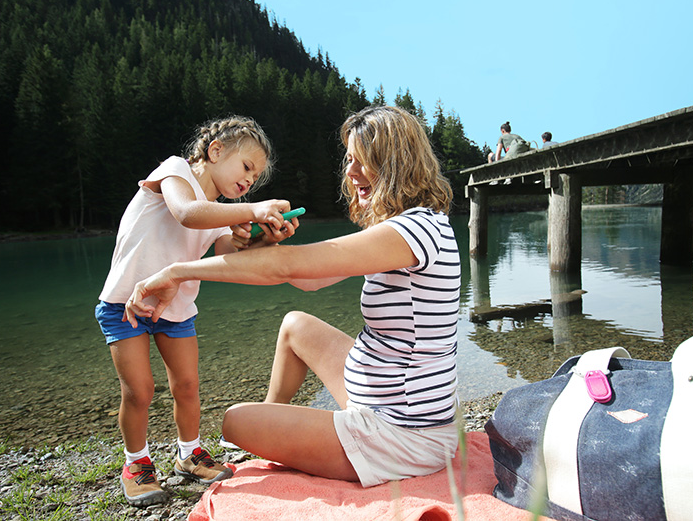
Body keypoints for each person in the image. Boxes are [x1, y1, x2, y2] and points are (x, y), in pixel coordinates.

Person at [124, 105, 461, 488]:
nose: (350, 174)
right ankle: (277, 423)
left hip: (403, 436)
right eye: (349, 159)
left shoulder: (412, 231)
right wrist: (263, 246)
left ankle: (277, 430)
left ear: (396, 163)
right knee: (295, 326)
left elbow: (287, 266)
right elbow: (306, 279)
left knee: (235, 421)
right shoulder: (415, 226)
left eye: (363, 161)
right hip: (387, 401)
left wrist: (175, 271)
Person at [95, 116, 299, 507]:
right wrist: (252, 210)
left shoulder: (221, 211)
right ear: (216, 150)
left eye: (255, 179)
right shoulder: (175, 172)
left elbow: (228, 255)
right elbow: (187, 213)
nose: (249, 182)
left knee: (187, 388)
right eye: (246, 168)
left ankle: (189, 456)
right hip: (125, 302)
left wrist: (264, 240)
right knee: (139, 391)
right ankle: (136, 465)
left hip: (177, 308)